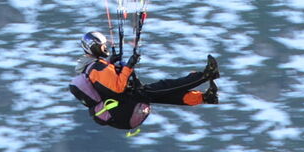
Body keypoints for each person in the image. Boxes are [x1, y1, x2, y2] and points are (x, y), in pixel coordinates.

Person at [67, 28, 219, 134]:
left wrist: (113, 63)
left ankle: (205, 97)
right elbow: (118, 87)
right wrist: (129, 66)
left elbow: (109, 84)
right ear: (93, 47)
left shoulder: (94, 67)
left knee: (160, 94)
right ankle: (205, 75)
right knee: (160, 87)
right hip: (122, 112)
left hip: (120, 114)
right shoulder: (96, 67)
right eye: (102, 45)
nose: (105, 47)